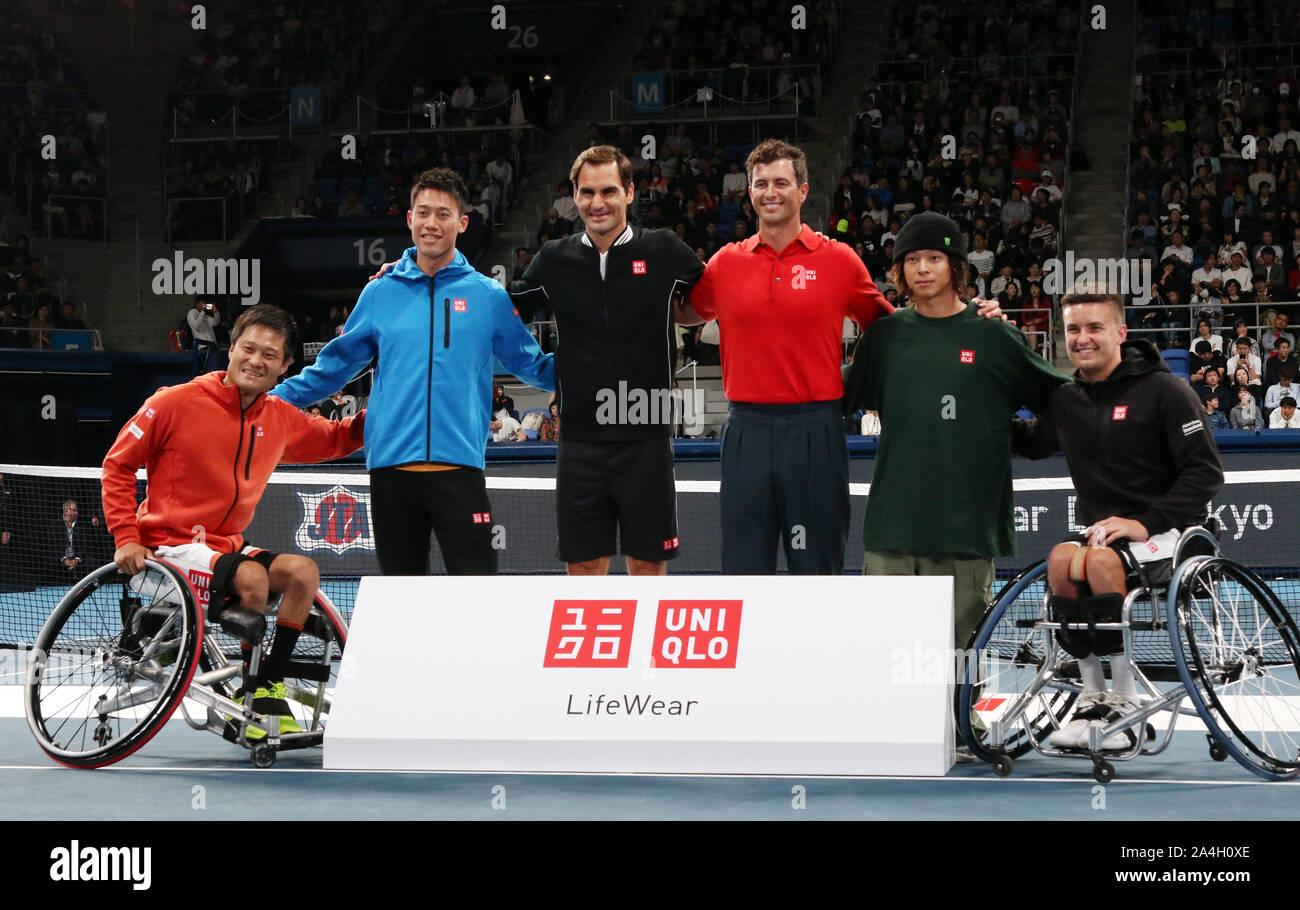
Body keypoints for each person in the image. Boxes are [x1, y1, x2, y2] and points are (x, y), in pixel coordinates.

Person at [102, 304, 366, 740]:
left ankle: (266, 688)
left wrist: (392, 411)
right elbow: (117, 466)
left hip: (224, 548)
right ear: (231, 349)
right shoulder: (172, 402)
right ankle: (220, 665)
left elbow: (335, 438)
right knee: (253, 580)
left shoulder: (279, 417)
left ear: (284, 366)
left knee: (303, 573)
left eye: (269, 355)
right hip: (164, 551)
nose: (256, 361)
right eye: (249, 348)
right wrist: (126, 537)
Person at [272, 168, 554, 575]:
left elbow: (530, 363)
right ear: (409, 219)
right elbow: (334, 367)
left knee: (478, 594)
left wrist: (585, 375)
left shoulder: (487, 295)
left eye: (443, 214)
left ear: (462, 223)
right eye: (423, 213)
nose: (432, 223)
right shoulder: (379, 292)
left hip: (460, 470)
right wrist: (270, 400)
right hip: (391, 473)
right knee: (401, 601)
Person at [843, 212, 1068, 657]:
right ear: (899, 270)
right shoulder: (883, 338)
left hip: (967, 526)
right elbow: (828, 400)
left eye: (934, 258)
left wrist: (1018, 438)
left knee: (959, 657)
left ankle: (965, 728)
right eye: (911, 260)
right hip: (894, 526)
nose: (922, 268)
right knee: (887, 654)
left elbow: (1066, 403)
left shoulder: (996, 336)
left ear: (957, 267)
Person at [1012, 288, 1223, 751]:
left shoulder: (1167, 391)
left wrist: (1145, 523)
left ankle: (1124, 705)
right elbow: (1030, 441)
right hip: (1102, 537)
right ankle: (1092, 697)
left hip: (1175, 533)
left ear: (1121, 333)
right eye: (1073, 329)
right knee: (1060, 561)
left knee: (1102, 562)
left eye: (1094, 328)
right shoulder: (1067, 400)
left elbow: (1205, 473)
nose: (1083, 338)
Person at [681, 139, 895, 574]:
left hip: (815, 429)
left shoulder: (839, 260)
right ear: (750, 193)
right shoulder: (726, 263)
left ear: (802, 190)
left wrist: (963, 315)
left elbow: (890, 328)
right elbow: (683, 311)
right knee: (744, 569)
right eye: (761, 184)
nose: (770, 192)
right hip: (745, 430)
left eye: (781, 182)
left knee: (816, 569)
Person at [507, 146, 705, 576]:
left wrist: (679, 314)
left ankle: (644, 648)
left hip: (647, 433)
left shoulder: (664, 249)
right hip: (580, 437)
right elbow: (503, 312)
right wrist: (417, 266)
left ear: (630, 193)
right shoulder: (554, 258)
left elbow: (711, 293)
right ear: (574, 197)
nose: (598, 202)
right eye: (587, 192)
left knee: (647, 565)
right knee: (582, 567)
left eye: (609, 191)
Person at [50, 499, 108, 582]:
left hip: (79, 557)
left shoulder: (82, 525)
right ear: (66, 511)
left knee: (93, 562)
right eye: (73, 510)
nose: (76, 512)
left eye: (76, 510)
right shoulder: (55, 525)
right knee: (50, 561)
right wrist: (64, 559)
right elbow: (53, 546)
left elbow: (85, 545)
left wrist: (77, 559)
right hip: (61, 557)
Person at [188, 297, 221, 373]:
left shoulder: (205, 316)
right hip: (204, 348)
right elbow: (195, 326)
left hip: (212, 346)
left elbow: (216, 322)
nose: (204, 305)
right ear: (197, 303)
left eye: (205, 303)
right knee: (206, 371)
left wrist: (215, 312)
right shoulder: (192, 313)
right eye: (202, 303)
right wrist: (202, 312)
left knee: (215, 370)